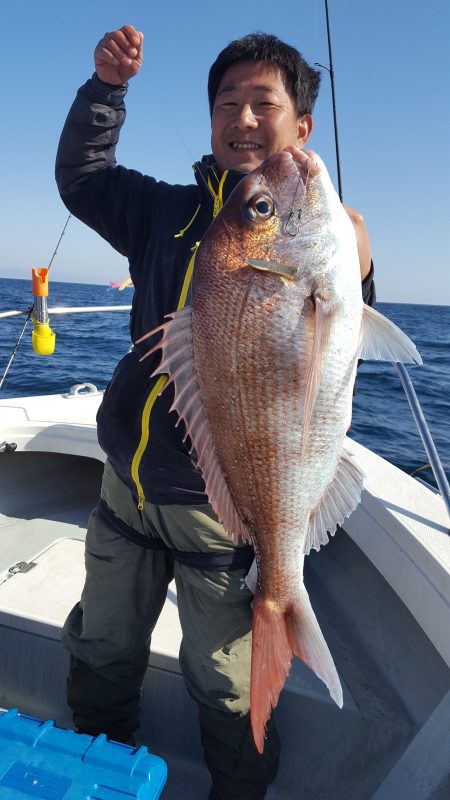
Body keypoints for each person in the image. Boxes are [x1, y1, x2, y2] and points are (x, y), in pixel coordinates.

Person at [56, 24, 375, 800]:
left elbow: (344, 301)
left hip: (221, 512)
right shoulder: (160, 210)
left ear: (302, 125)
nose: (241, 116)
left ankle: (240, 784)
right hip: (127, 492)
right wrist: (106, 91)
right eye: (226, 101)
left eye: (262, 102)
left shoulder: (321, 230)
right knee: (101, 648)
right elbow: (82, 178)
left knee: (226, 682)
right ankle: (94, 770)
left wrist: (353, 260)